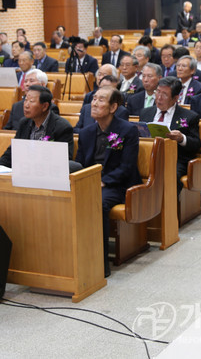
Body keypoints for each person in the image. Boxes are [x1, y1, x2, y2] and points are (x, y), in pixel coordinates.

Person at [74, 86, 141, 277]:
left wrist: (102, 181)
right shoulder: (87, 132)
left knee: (99, 203)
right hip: (90, 181)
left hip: (117, 184)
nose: (94, 103)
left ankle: (100, 262)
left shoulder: (127, 130)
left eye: (101, 100)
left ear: (113, 107)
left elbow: (126, 167)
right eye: (94, 99)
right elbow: (79, 163)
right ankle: (78, 256)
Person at [139, 77, 201, 192]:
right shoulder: (145, 113)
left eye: (164, 94)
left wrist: (181, 138)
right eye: (158, 92)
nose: (159, 97)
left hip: (175, 159)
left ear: (175, 98)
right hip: (148, 157)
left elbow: (196, 144)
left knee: (169, 175)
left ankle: (170, 207)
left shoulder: (189, 116)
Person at [0, 84, 77, 170]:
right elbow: (12, 152)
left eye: (31, 101)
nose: (26, 105)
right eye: (25, 100)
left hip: (47, 174)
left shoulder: (62, 127)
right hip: (25, 170)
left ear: (45, 106)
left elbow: (63, 161)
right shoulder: (24, 123)